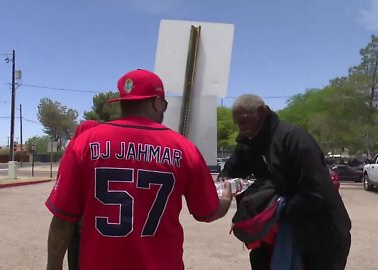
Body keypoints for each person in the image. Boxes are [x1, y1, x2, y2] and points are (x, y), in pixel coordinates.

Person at [46, 69, 233, 270]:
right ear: (156, 102)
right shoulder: (184, 149)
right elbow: (207, 212)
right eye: (164, 104)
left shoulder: (84, 144)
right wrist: (226, 199)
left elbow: (62, 222)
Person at [220, 94, 351, 270]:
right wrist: (221, 186)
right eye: (237, 124)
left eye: (243, 122)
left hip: (322, 235)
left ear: (260, 112)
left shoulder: (294, 138)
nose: (240, 128)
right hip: (275, 235)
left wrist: (276, 214)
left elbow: (317, 191)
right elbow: (231, 170)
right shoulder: (249, 142)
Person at [64, 120, 101, 270]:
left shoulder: (73, 155)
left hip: (79, 227)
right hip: (106, 230)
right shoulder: (108, 156)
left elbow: (64, 203)